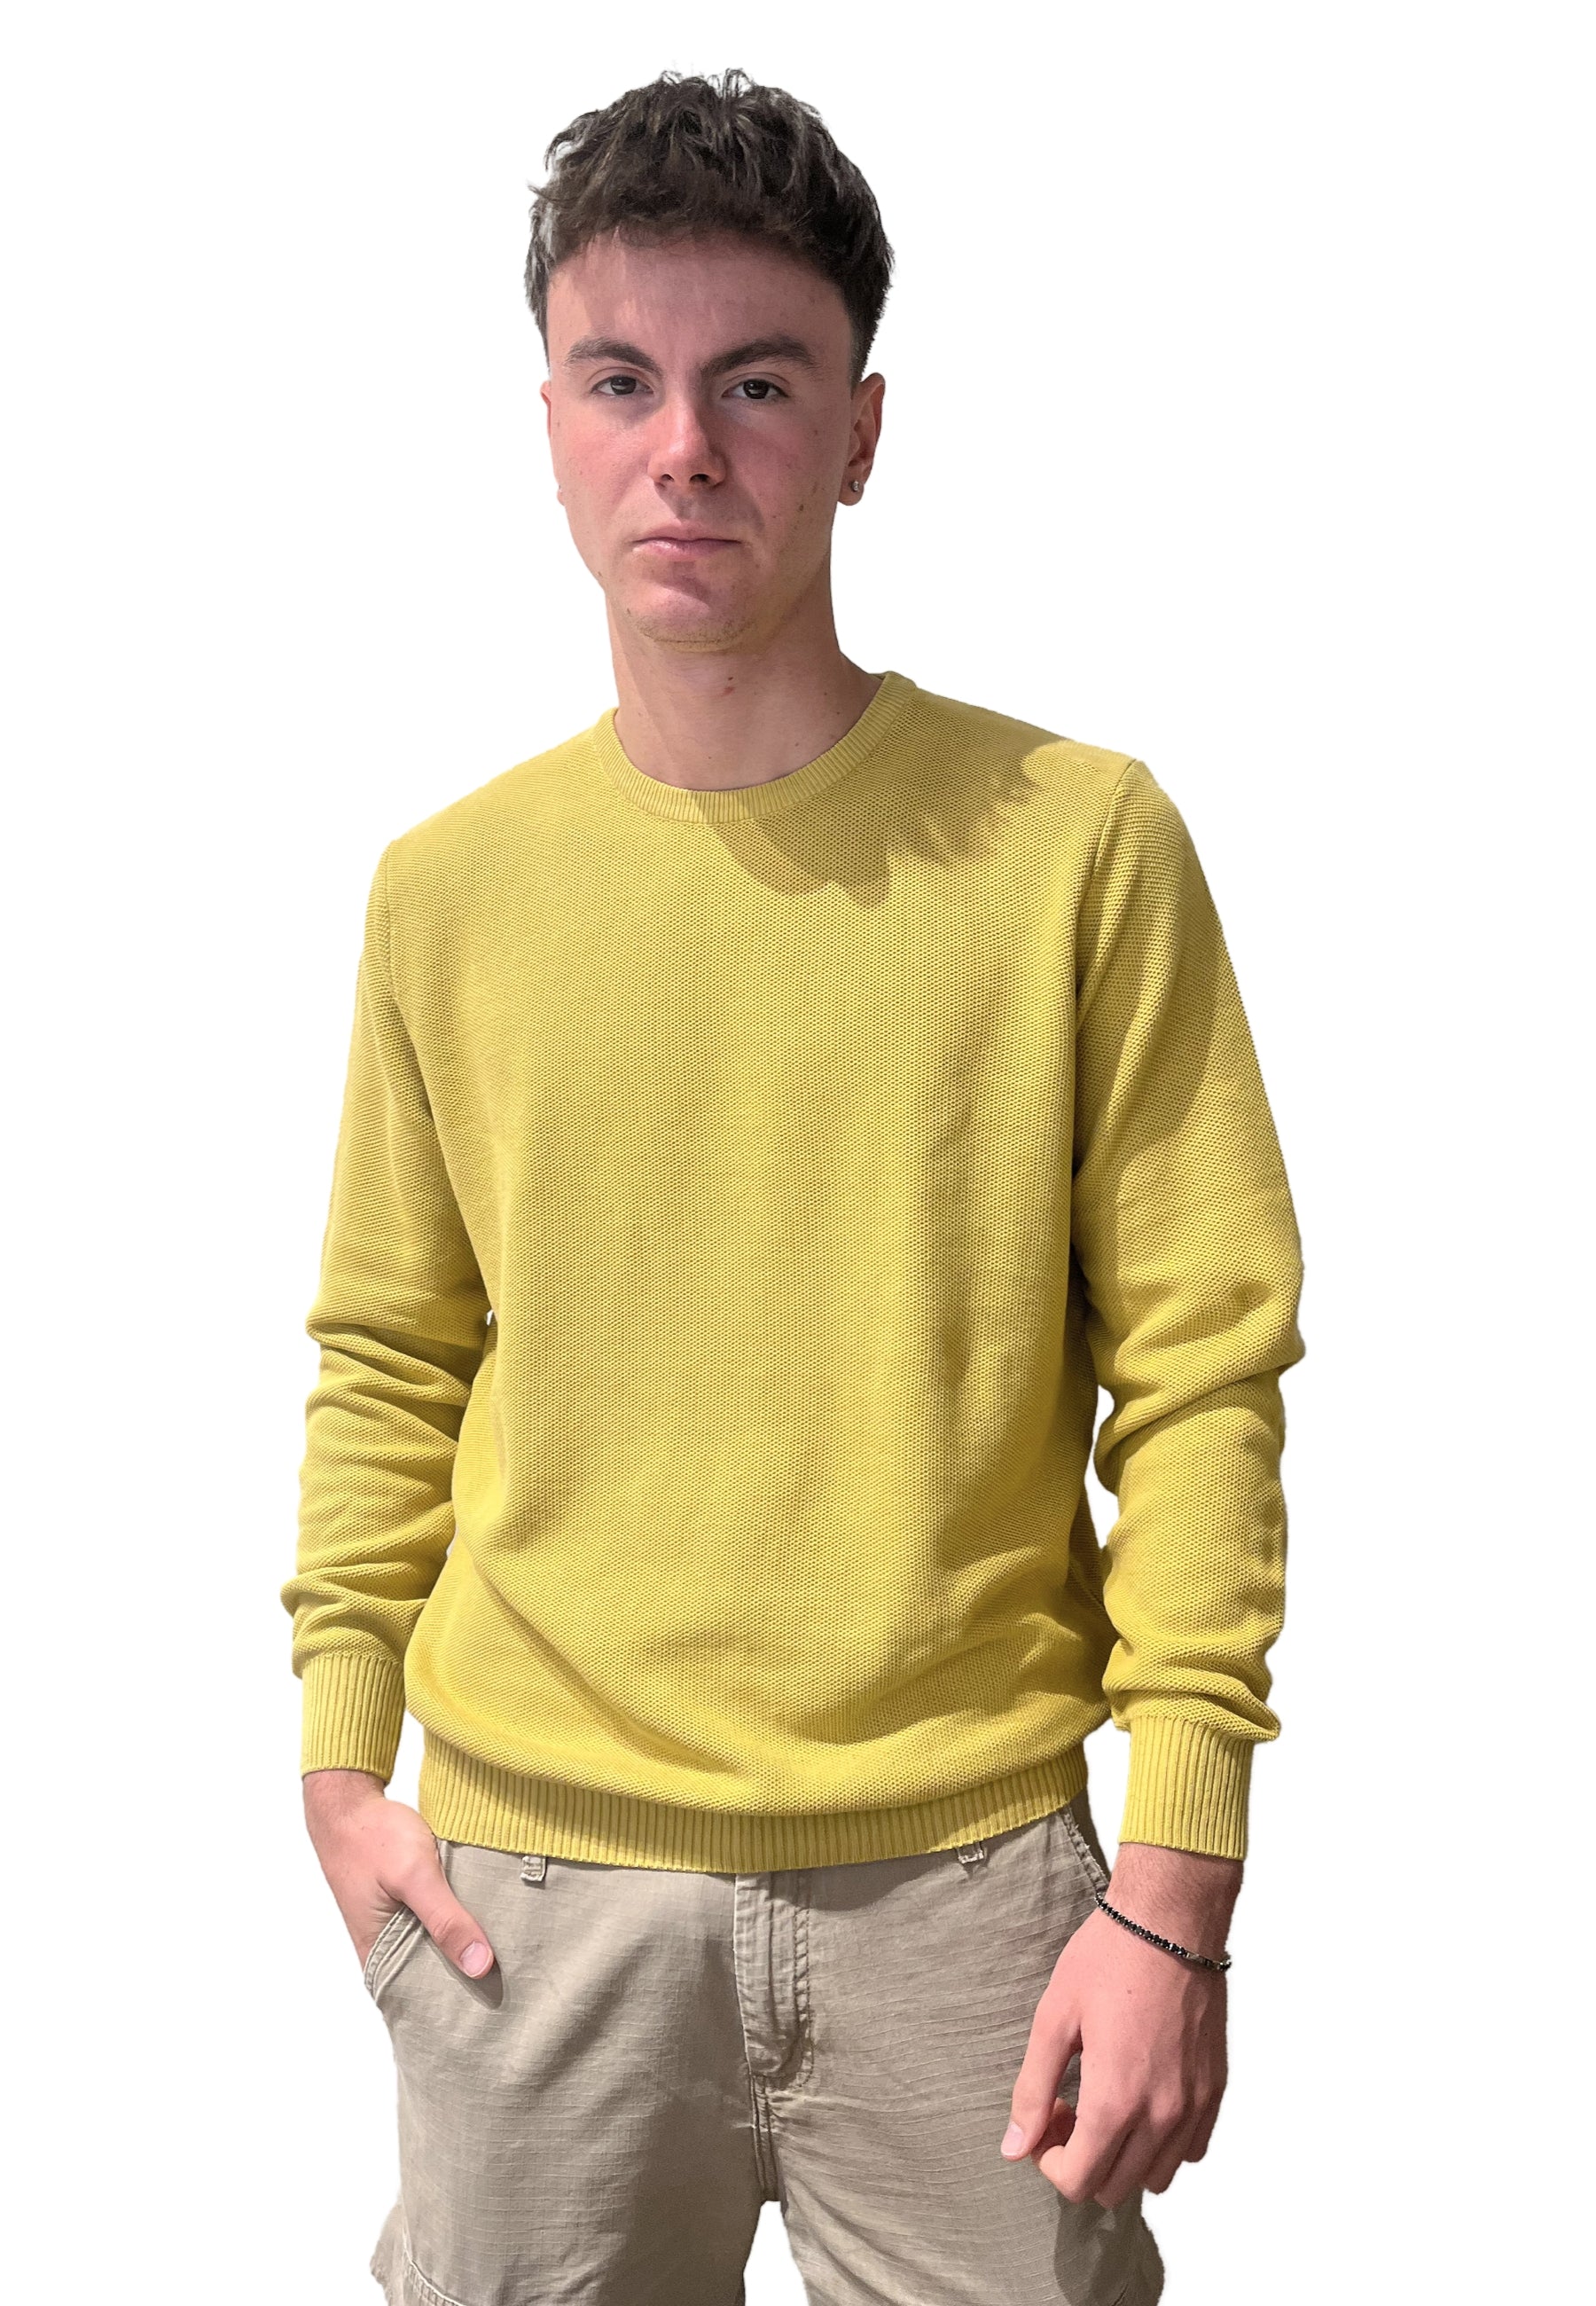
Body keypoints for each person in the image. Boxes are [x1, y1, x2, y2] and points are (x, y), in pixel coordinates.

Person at [282, 65, 1305, 2306]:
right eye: (619, 381)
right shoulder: (448, 892)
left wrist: (1176, 1886)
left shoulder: (1077, 847)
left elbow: (1205, 1374)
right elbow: (391, 1354)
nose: (685, 448)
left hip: (975, 1905)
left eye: (756, 383)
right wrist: (341, 1757)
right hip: (529, 1900)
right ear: (550, 421)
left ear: (860, 428)